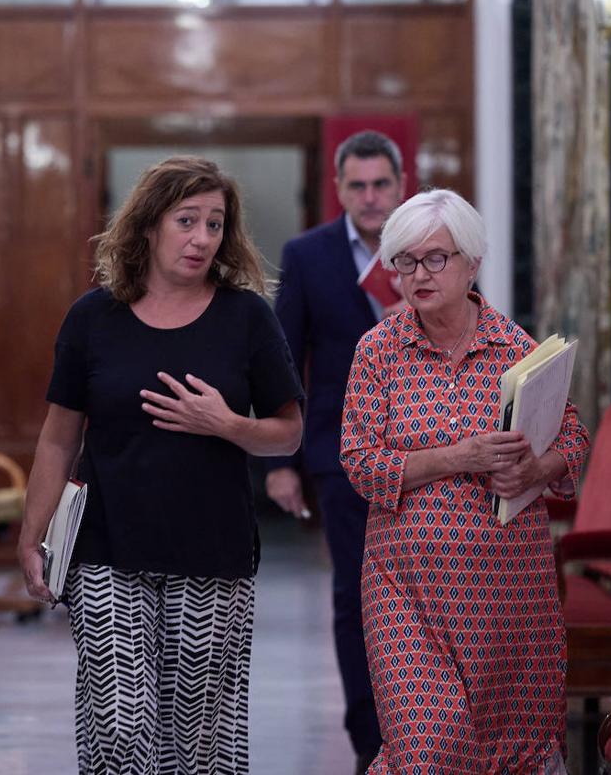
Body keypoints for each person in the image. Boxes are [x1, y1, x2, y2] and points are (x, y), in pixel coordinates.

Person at [17, 155, 304, 774]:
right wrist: (32, 532)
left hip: (213, 553)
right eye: (187, 221)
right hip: (107, 549)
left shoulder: (246, 318)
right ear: (148, 225)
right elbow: (58, 439)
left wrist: (227, 424)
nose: (202, 238)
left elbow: (287, 435)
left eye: (215, 224)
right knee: (118, 725)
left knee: (199, 738)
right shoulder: (92, 319)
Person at [341, 189, 590, 774]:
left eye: (435, 258)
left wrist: (537, 468)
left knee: (513, 753)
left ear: (472, 262)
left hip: (510, 597)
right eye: (403, 260)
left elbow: (574, 437)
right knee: (426, 750)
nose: (417, 274)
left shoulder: (516, 349)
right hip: (406, 593)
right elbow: (358, 462)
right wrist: (460, 456)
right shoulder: (378, 352)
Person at [264, 130, 406, 770]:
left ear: (400, 185)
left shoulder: (429, 244)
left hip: (434, 450)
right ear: (339, 188)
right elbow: (284, 360)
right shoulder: (309, 255)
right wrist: (280, 462)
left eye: (381, 184)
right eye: (358, 186)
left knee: (423, 599)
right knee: (357, 599)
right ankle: (370, 746)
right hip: (342, 451)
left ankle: (425, 739)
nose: (371, 198)